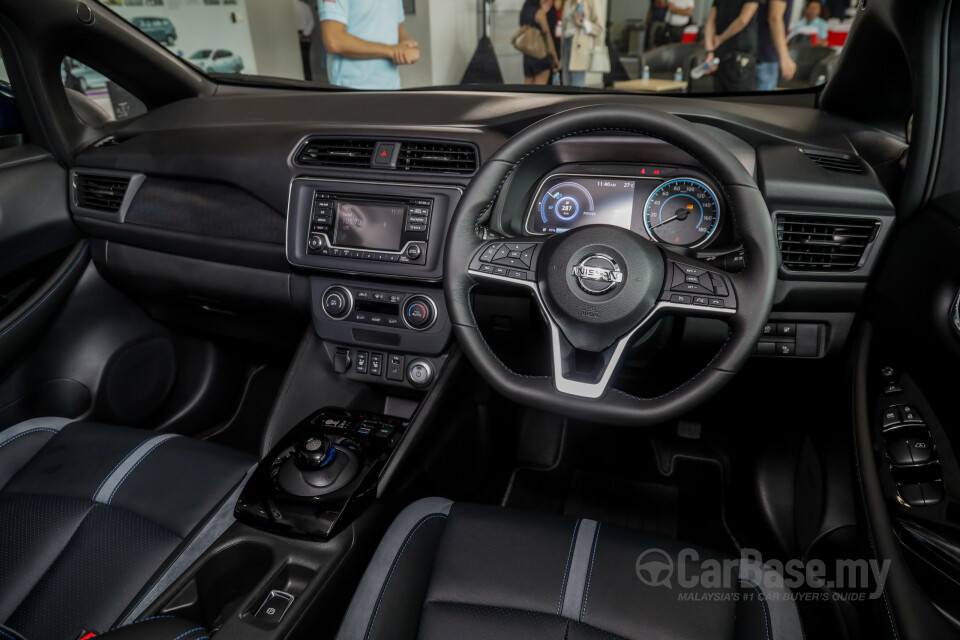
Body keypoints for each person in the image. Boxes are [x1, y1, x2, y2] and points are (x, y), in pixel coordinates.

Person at [320, 0, 419, 90]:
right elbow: (334, 41)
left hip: (392, 87)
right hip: (352, 89)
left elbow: (399, 29)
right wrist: (392, 50)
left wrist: (407, 48)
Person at [704, 0, 760, 93]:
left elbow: (710, 22)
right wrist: (721, 38)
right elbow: (742, 20)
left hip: (719, 56)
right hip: (740, 59)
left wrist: (710, 52)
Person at [560, 0, 603, 88]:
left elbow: (599, 27)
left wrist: (583, 23)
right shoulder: (568, 2)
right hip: (566, 43)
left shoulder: (591, 1)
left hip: (579, 45)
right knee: (566, 83)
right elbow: (564, 26)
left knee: (577, 84)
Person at [756, 0, 796, 91]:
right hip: (765, 54)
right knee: (759, 103)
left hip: (760, 53)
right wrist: (784, 57)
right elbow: (774, 18)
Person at [520, 0, 560, 85]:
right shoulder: (540, 13)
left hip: (528, 55)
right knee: (539, 88)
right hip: (541, 55)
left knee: (527, 86)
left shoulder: (525, 10)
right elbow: (547, 35)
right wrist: (554, 56)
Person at [293, 0, 315, 81]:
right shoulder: (305, 5)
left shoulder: (304, 6)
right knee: (305, 62)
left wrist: (304, 35)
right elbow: (311, 22)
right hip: (304, 36)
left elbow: (311, 22)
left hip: (302, 36)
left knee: (303, 62)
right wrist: (305, 35)